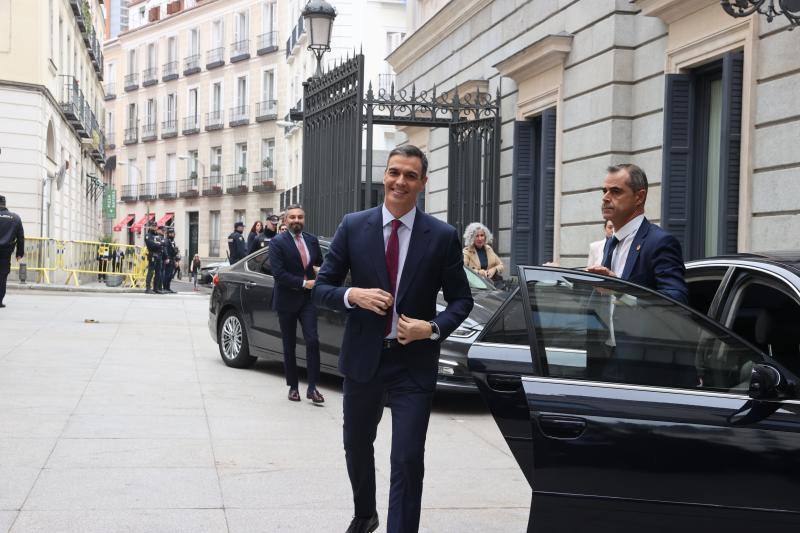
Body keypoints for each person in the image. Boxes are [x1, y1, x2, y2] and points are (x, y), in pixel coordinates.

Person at [313, 145, 474, 533]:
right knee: (356, 445)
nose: (400, 181)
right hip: (364, 359)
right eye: (394, 172)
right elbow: (321, 288)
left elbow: (462, 300)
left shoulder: (442, 236)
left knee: (407, 459)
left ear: (423, 183)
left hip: (412, 364)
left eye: (410, 175)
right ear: (385, 175)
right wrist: (353, 295)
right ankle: (365, 514)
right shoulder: (354, 226)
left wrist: (430, 328)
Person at [587, 164, 688, 303]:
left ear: (639, 197)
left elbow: (676, 300)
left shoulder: (660, 242)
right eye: (605, 191)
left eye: (615, 191)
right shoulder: (610, 242)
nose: (605, 197)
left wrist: (620, 292)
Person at [269, 204, 325, 404]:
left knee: (313, 341)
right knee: (289, 345)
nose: (296, 220)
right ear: (286, 220)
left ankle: (312, 388)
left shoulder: (311, 240)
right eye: (292, 217)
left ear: (304, 219)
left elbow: (319, 263)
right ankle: (293, 387)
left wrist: (319, 271)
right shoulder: (277, 242)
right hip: (286, 299)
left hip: (308, 299)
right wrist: (303, 283)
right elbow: (278, 274)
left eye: (300, 217)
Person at [0, 195, 24, 309]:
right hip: (5, 253)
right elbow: (20, 237)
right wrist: (20, 253)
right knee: (2, 277)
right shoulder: (15, 218)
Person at [144, 224, 165, 294]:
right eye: (153, 226)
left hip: (159, 255)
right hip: (152, 254)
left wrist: (159, 244)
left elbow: (163, 243)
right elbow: (151, 245)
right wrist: (159, 244)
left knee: (158, 272)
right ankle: (148, 288)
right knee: (151, 272)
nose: (154, 227)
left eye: (155, 226)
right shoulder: (148, 235)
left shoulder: (157, 235)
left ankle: (156, 288)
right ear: (150, 227)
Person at [162, 227, 179, 293]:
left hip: (172, 259)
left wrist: (176, 260)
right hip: (168, 259)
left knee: (170, 274)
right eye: (172, 233)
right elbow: (166, 250)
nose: (173, 234)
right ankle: (165, 288)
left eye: (173, 233)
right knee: (167, 274)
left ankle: (168, 287)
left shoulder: (173, 241)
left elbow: (174, 252)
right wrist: (167, 258)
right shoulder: (166, 241)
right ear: (168, 234)